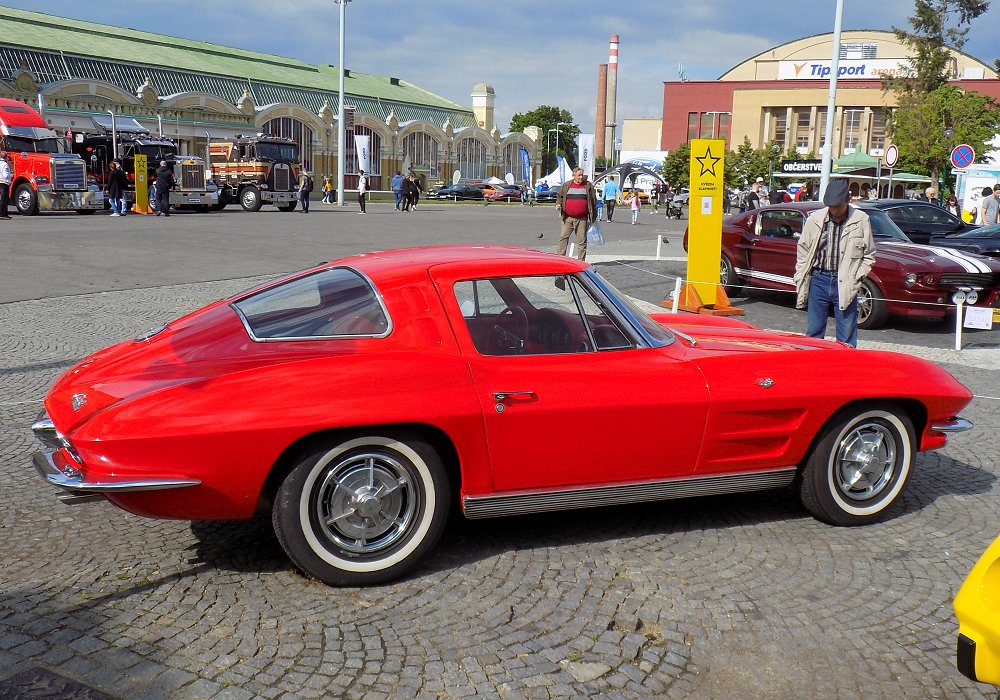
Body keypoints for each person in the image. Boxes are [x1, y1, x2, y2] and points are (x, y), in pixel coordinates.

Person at [793, 179, 876, 347]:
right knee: (814, 333)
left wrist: (856, 277)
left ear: (847, 201)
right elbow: (803, 249)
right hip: (819, 278)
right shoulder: (815, 219)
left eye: (838, 206)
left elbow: (869, 255)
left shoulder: (860, 220)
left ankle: (844, 368)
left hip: (846, 280)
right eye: (831, 206)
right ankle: (814, 367)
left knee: (846, 335)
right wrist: (800, 273)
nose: (834, 210)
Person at [554, 167, 599, 260]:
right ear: (573, 175)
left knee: (582, 240)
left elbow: (594, 201)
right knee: (563, 238)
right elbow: (560, 196)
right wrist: (558, 204)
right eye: (579, 175)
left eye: (582, 175)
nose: (581, 177)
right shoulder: (567, 185)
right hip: (567, 217)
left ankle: (581, 261)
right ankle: (560, 259)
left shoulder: (588, 186)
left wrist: (594, 217)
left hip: (582, 218)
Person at [0, 149, 11, 219]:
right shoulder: (5, 164)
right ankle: (2, 214)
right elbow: (5, 175)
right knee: (4, 199)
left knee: (2, 199)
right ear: (5, 157)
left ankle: (4, 214)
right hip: (4, 183)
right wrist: (12, 175)